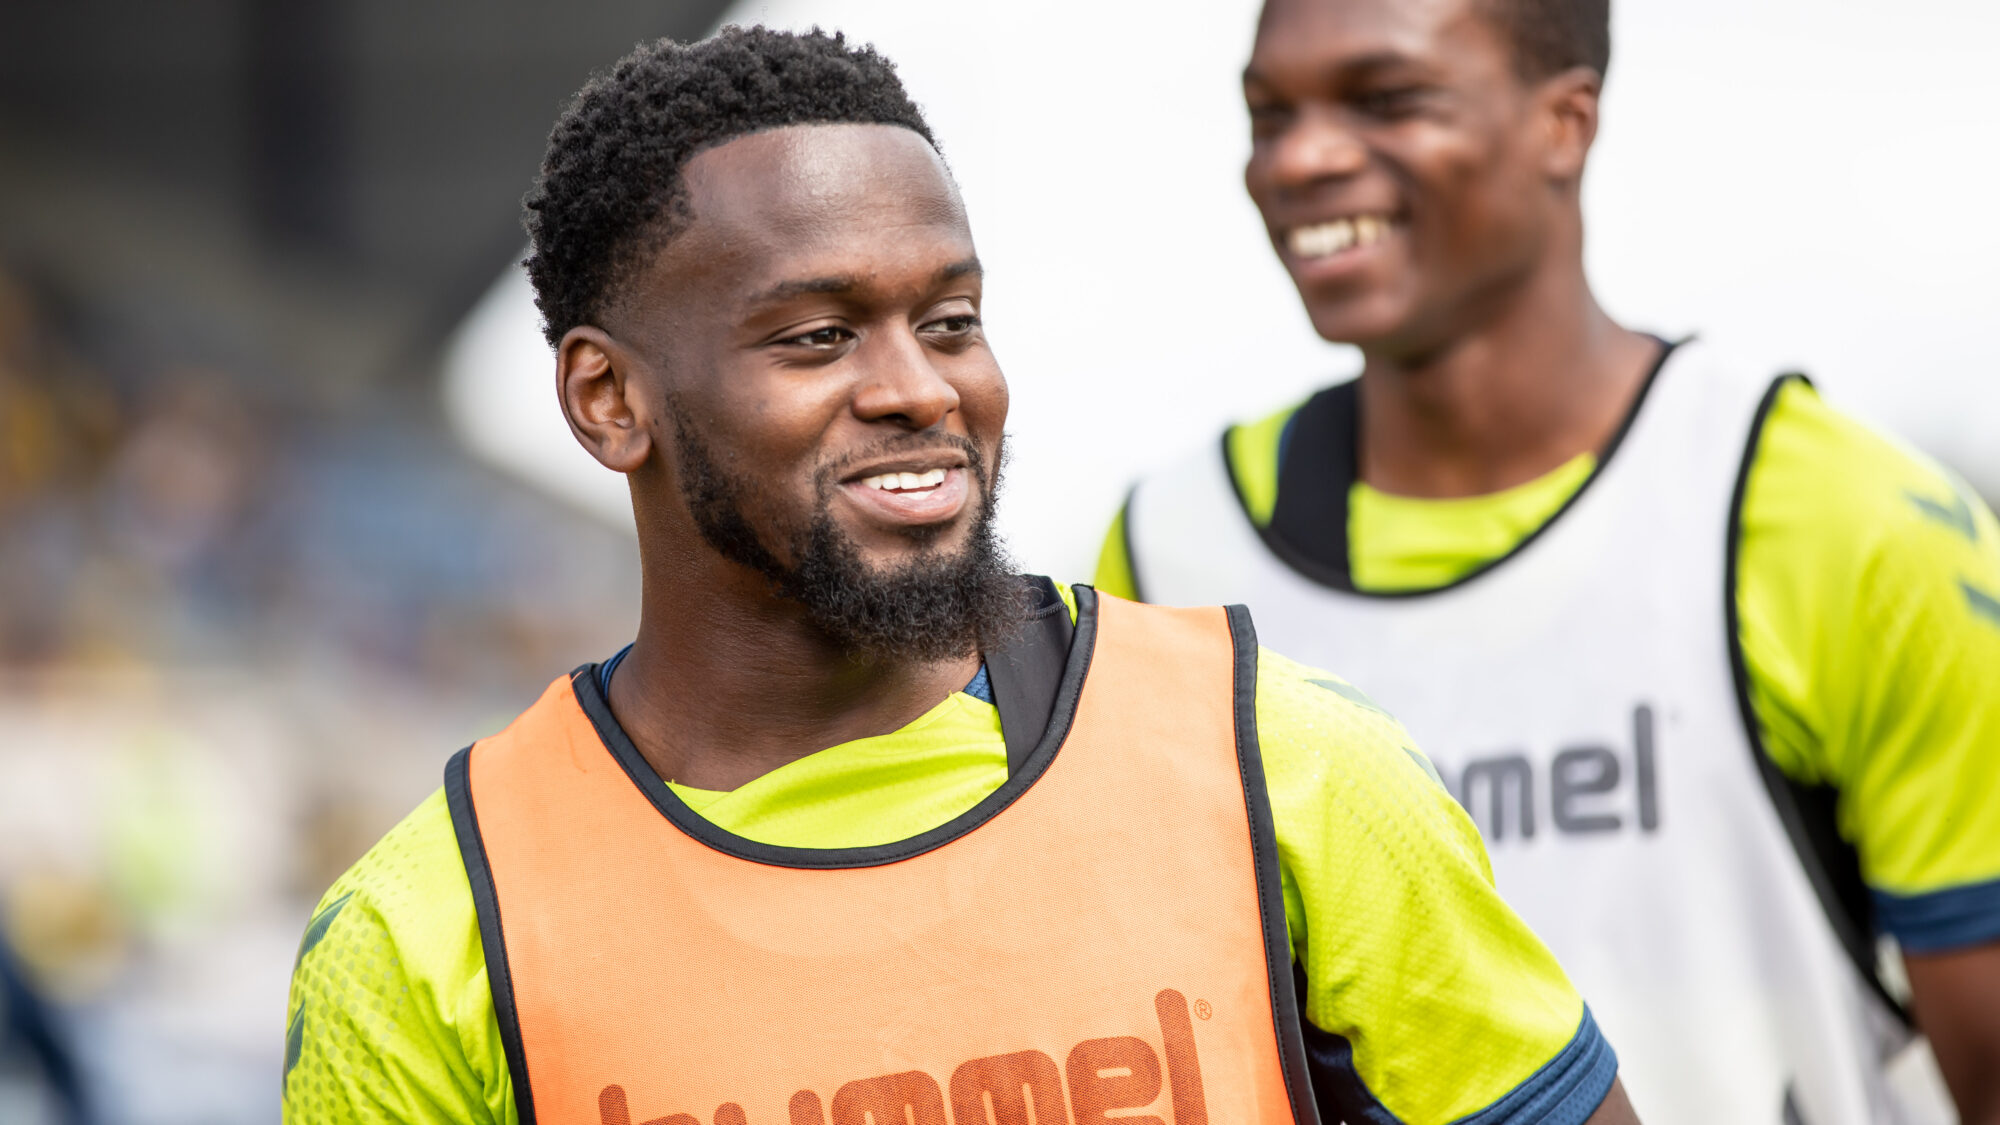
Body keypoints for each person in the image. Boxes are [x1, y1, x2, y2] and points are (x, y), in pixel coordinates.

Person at [282, 27, 1646, 1125]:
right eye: (817, 337)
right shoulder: (429, 940)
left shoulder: (1285, 771)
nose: (921, 389)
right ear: (607, 399)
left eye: (948, 321)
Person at [1096, 0, 2000, 1121]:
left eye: (1386, 100)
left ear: (1563, 123)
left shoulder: (1841, 519)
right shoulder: (1169, 558)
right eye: (1268, 114)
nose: (1301, 159)